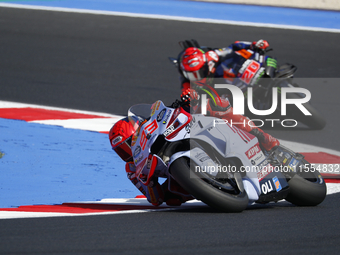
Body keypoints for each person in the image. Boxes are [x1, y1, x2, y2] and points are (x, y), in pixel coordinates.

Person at [177, 39, 280, 152]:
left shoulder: (212, 56)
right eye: (192, 75)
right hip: (225, 98)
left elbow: (233, 47)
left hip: (235, 80)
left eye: (199, 72)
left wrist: (253, 45)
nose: (197, 77)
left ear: (206, 64)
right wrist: (188, 97)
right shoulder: (187, 83)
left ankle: (265, 138)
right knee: (222, 111)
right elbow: (187, 99)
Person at [109, 116, 192, 207]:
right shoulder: (132, 169)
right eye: (122, 151)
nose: (128, 153)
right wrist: (149, 183)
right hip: (178, 177)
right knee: (171, 198)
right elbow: (156, 200)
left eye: (129, 145)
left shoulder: (154, 127)